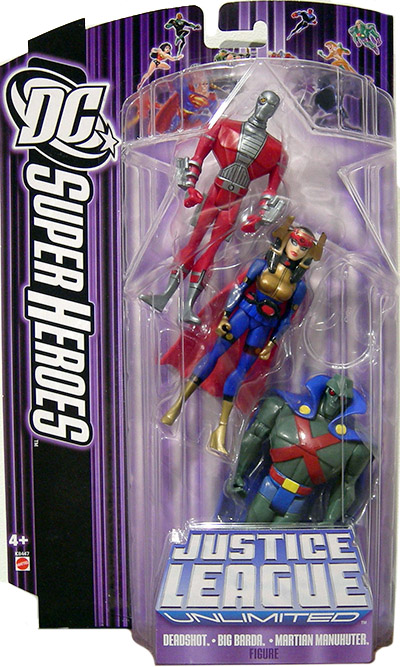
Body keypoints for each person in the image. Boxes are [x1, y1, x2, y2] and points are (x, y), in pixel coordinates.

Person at [161, 219, 326, 455]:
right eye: (295, 242)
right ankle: (177, 406)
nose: (297, 249)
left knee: (240, 372)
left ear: (308, 253)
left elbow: (287, 317)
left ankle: (221, 429)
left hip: (264, 327)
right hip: (243, 314)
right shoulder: (261, 265)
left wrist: (273, 341)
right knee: (214, 355)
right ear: (286, 239)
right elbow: (239, 289)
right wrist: (225, 316)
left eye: (303, 247)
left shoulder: (298, 287)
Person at [226, 374, 370, 524]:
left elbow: (347, 485)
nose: (334, 401)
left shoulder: (354, 445)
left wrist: (330, 521)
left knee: (282, 537)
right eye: (333, 393)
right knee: (251, 530)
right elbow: (255, 436)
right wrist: (238, 474)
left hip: (298, 500)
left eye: (342, 399)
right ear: (326, 391)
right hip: (270, 487)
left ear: (347, 402)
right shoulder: (282, 407)